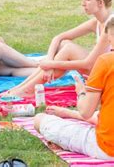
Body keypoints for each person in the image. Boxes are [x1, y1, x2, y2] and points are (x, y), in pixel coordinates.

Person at [7, 0, 113, 97]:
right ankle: (22, 88)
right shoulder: (96, 22)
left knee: (69, 49)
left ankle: (26, 90)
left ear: (100, 3)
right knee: (65, 44)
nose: (83, 3)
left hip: (108, 79)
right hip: (102, 71)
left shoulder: (110, 26)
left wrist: (52, 64)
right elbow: (58, 38)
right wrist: (49, 63)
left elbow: (87, 64)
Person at [34, 15, 114, 160]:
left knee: (39, 119)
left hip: (107, 148)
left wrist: (82, 92)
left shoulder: (106, 61)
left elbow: (86, 112)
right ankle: (67, 114)